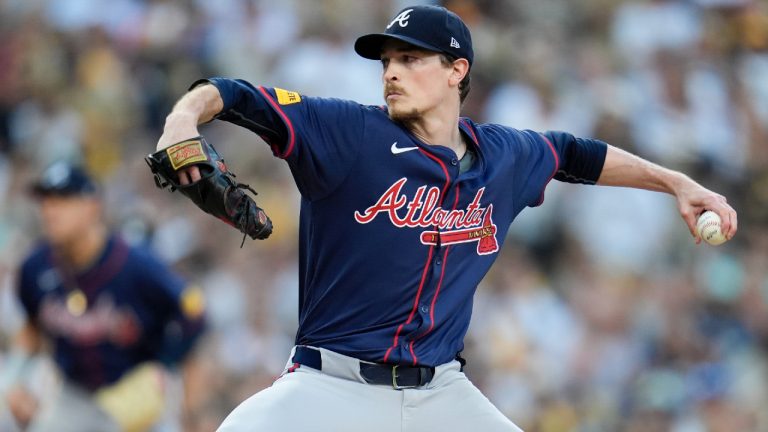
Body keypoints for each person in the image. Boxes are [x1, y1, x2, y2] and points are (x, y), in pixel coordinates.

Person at [155, 5, 737, 431]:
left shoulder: (505, 155)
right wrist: (183, 120)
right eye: (386, 61)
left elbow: (579, 155)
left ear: (457, 71)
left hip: (442, 396)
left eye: (409, 59)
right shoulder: (349, 133)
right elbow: (233, 93)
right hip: (328, 388)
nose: (391, 72)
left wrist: (676, 183)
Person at [0, 161, 206, 432]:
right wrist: (14, 381)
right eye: (45, 201)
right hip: (75, 395)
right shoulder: (35, 266)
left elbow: (194, 316)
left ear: (92, 206)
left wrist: (168, 370)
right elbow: (32, 329)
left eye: (62, 200)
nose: (49, 210)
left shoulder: (136, 265)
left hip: (135, 391)